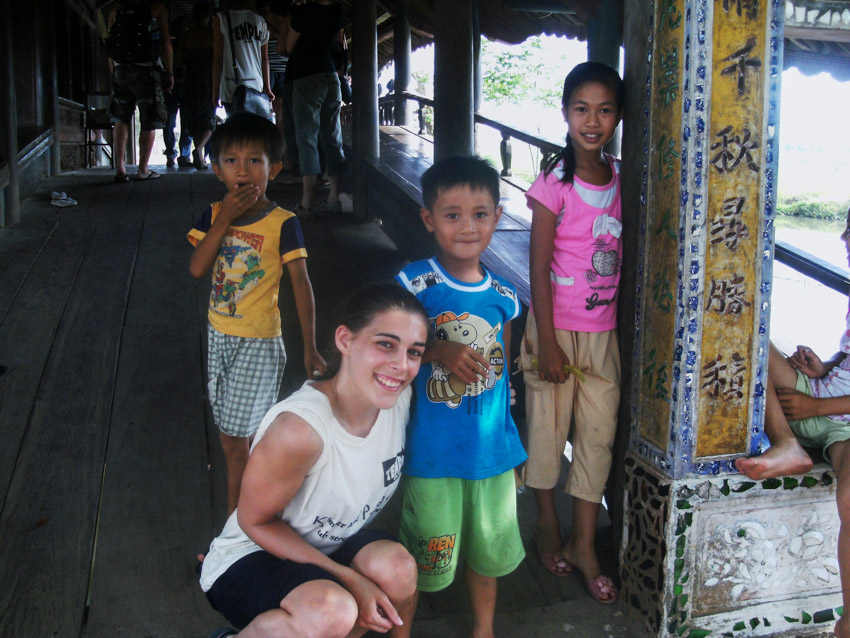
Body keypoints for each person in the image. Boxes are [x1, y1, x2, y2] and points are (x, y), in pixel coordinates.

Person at [200, 282, 427, 638]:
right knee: (333, 610)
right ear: (345, 340)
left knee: (398, 570)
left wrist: (448, 352)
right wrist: (348, 577)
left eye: (414, 352)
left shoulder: (398, 396)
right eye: (385, 344)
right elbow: (254, 522)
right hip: (251, 557)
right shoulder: (301, 430)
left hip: (325, 549)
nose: (400, 365)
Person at [395, 156, 527, 638]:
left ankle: (483, 629)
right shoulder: (414, 283)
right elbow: (391, 350)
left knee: (487, 548)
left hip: (490, 454)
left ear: (496, 217)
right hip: (431, 453)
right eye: (452, 214)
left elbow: (502, 379)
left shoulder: (506, 296)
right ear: (429, 219)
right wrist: (436, 349)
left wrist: (511, 447)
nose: (467, 226)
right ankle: (401, 630)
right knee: (421, 552)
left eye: (480, 213)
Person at [520, 61, 624, 604]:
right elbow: (537, 268)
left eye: (605, 110)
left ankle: (585, 541)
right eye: (582, 109)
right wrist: (550, 341)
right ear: (565, 114)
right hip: (554, 330)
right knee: (545, 430)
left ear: (617, 117)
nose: (593, 120)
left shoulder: (622, 179)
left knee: (597, 437)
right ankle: (547, 525)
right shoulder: (553, 184)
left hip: (602, 335)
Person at [187, 113, 325, 515]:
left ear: (274, 168)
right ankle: (251, 518)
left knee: (234, 440)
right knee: (233, 437)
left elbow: (301, 284)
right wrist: (226, 218)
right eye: (231, 161)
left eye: (254, 161)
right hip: (218, 335)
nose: (242, 171)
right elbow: (197, 268)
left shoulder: (284, 223)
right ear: (216, 170)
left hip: (259, 342)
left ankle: (239, 526)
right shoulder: (215, 215)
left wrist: (311, 348)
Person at [735, 209, 850, 637]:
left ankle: (847, 620)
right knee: (748, 335)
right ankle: (788, 444)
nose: (844, 238)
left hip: (842, 424)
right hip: (820, 393)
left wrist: (815, 406)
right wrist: (824, 367)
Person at [285, 0, 347, 215]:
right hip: (331, 76)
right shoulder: (337, 10)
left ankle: (307, 201)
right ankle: (334, 198)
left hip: (307, 77)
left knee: (307, 138)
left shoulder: (303, 12)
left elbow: (288, 47)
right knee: (332, 136)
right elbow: (338, 40)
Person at [106, 0, 174, 183]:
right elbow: (166, 42)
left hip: (121, 70)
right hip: (146, 70)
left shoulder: (116, 10)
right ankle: (142, 170)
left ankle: (120, 169)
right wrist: (169, 72)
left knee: (121, 117)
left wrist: (114, 72)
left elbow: (110, 46)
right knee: (149, 119)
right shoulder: (157, 8)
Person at [212, 0, 273, 119]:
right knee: (253, 131)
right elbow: (264, 59)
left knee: (236, 130)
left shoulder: (221, 19)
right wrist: (268, 88)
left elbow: (218, 58)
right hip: (256, 84)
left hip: (231, 85)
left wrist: (215, 90)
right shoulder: (259, 20)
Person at [178, 1, 216, 169]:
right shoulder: (213, 35)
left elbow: (178, 60)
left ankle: (199, 154)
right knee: (208, 120)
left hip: (190, 80)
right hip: (208, 80)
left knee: (193, 119)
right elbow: (219, 59)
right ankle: (199, 150)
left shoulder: (186, 36)